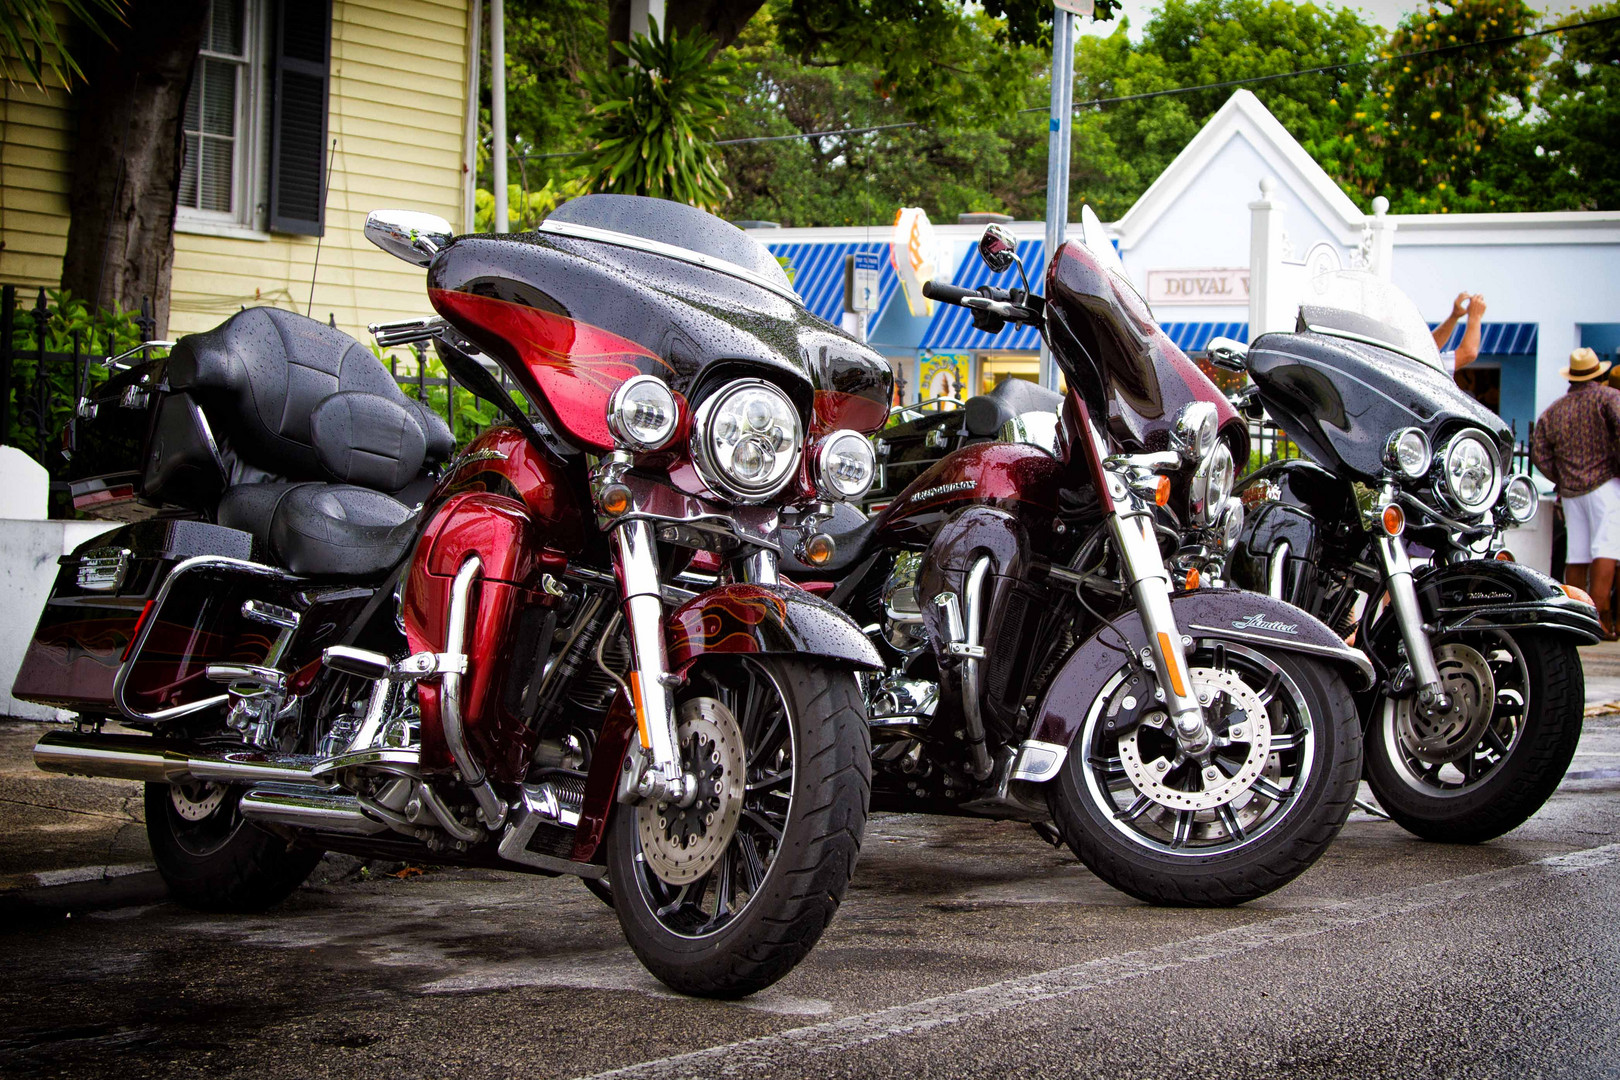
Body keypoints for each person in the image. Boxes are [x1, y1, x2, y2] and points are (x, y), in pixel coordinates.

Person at [1531, 347, 1620, 639]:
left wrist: (1561, 477)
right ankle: (1601, 621)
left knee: (1578, 554)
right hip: (1605, 483)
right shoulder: (1609, 398)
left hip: (1570, 492)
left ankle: (1579, 620)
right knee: (1607, 548)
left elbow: (1539, 453)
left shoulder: (1554, 410)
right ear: (1598, 372)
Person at [1431, 292, 1486, 372]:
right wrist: (1475, 316)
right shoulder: (1421, 367)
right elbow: (1468, 353)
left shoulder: (1411, 359)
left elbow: (1428, 347)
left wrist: (1454, 317)